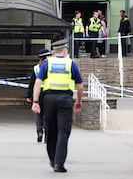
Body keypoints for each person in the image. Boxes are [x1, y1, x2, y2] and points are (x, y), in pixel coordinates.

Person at [31, 39, 84, 173]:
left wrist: (35, 102)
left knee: (51, 130)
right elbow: (80, 85)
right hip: (65, 100)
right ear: (65, 50)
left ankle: (52, 159)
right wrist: (79, 100)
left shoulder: (47, 64)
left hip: (49, 99)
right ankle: (59, 163)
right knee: (63, 131)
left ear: (54, 52)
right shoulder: (71, 64)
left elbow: (38, 83)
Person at [27, 49, 52, 143]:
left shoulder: (36, 68)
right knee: (47, 115)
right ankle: (47, 135)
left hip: (37, 93)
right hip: (47, 92)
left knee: (38, 114)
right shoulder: (51, 67)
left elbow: (32, 82)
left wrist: (29, 95)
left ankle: (39, 131)